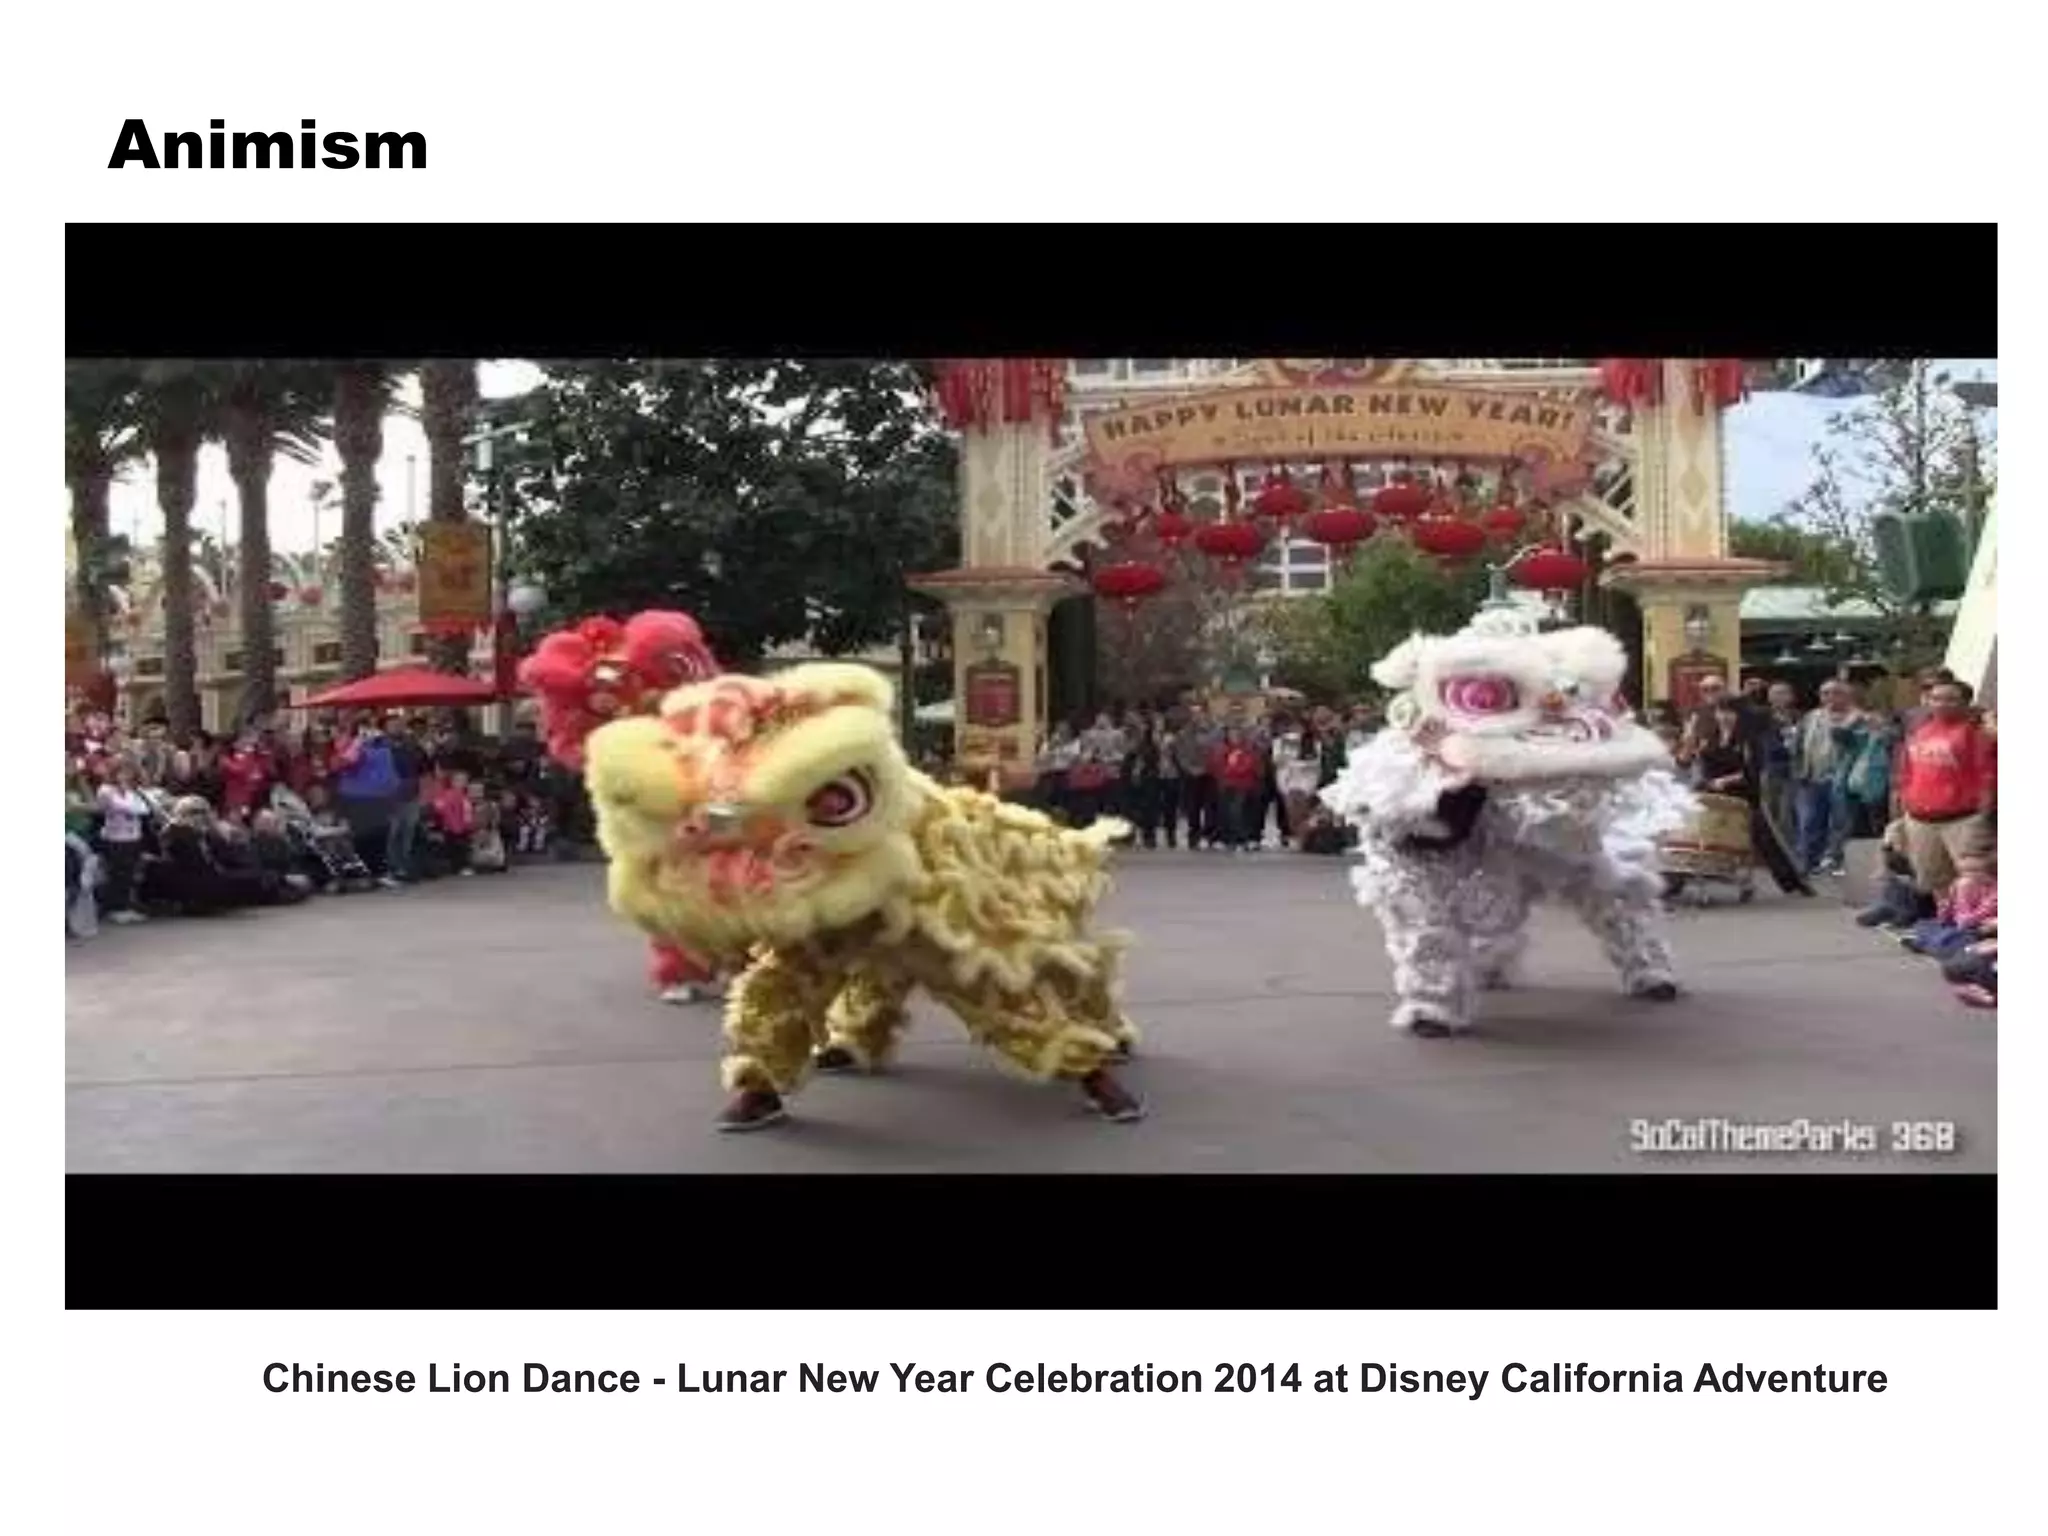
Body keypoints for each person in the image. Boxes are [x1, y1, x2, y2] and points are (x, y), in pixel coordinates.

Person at [1689, 699, 1814, 896]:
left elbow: (1753, 769)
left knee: (1767, 840)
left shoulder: (1748, 740)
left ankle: (1794, 883)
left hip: (1744, 796)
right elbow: (1702, 768)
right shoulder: (1710, 739)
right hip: (1715, 795)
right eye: (1721, 712)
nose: (1724, 717)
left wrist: (1728, 780)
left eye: (1729, 712)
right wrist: (1710, 782)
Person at [1894, 678, 1995, 899]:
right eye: (1936, 699)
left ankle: (1969, 927)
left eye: (1951, 699)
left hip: (1963, 819)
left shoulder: (1976, 733)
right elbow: (1906, 773)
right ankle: (1945, 926)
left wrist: (1983, 815)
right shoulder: (1919, 732)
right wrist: (1903, 810)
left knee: (1973, 881)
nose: (1941, 704)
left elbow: (1987, 775)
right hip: (1920, 819)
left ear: (1965, 703)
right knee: (1935, 881)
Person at [1791, 678, 1864, 876]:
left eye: (1836, 692)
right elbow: (1797, 745)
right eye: (1825, 693)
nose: (1830, 697)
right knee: (1809, 822)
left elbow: (1866, 748)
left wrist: (1847, 735)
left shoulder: (1859, 718)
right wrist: (1799, 771)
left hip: (1843, 780)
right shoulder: (1811, 717)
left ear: (1848, 695)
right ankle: (1807, 862)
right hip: (1812, 778)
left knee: (1841, 822)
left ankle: (1836, 860)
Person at [1901, 849, 1996, 959]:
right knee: (1925, 925)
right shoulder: (1961, 885)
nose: (1968, 877)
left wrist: (1964, 918)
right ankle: (1925, 941)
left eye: (1975, 872)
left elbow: (1974, 917)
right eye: (1964, 873)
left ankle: (1926, 944)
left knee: (1950, 937)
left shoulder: (1994, 892)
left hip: (1978, 927)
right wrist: (1946, 906)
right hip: (1960, 923)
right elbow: (1947, 916)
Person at [93, 757, 152, 925]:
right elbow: (122, 807)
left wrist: (131, 798)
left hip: (133, 837)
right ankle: (115, 909)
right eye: (122, 771)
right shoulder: (105, 790)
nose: (126, 775)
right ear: (114, 771)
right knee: (117, 874)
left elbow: (144, 809)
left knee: (128, 874)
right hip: (115, 838)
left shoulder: (132, 791)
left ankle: (125, 907)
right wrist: (130, 802)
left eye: (129, 771)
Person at [1273, 714, 1326, 849]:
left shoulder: (1314, 743)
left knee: (1302, 810)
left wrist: (1294, 763)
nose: (1296, 730)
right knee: (1291, 810)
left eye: (1299, 727)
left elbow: (1315, 763)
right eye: (1293, 727)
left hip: (1306, 780)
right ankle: (1295, 835)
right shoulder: (1281, 741)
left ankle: (1303, 837)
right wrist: (1295, 762)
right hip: (1288, 779)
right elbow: (1277, 760)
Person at [1210, 725, 1265, 852]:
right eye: (1232, 733)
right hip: (1225, 784)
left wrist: (1233, 770)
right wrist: (1226, 772)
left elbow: (1250, 764)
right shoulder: (1220, 748)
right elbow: (1215, 765)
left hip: (1243, 784)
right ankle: (1227, 838)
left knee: (1238, 811)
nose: (1234, 736)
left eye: (1237, 733)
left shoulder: (1249, 748)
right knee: (1224, 812)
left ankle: (1241, 838)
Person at [1171, 705, 1218, 849]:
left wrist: (1211, 767)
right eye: (1194, 714)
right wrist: (1189, 768)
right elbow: (1179, 754)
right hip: (1192, 773)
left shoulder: (1215, 731)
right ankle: (1194, 835)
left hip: (1211, 773)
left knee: (1211, 806)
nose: (1197, 717)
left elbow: (1219, 750)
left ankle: (1211, 835)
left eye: (1200, 713)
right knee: (1193, 807)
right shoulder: (1183, 734)